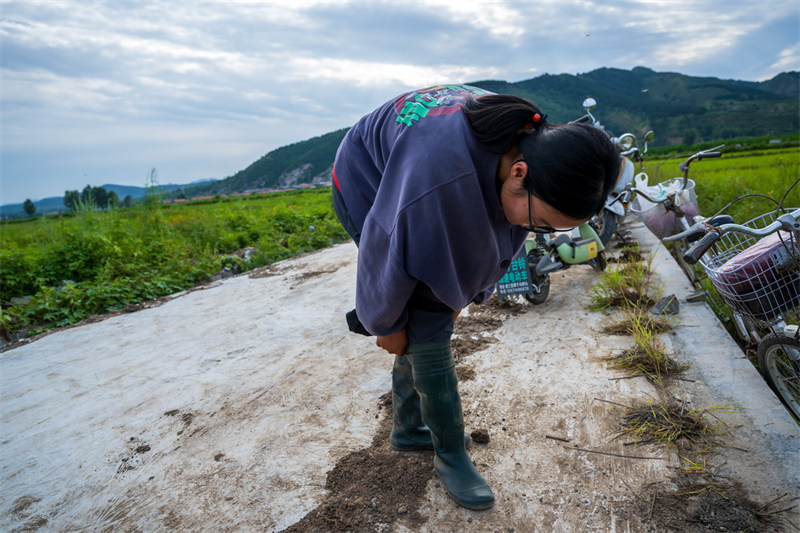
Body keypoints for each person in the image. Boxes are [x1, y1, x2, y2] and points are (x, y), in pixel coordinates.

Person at [331, 84, 621, 510]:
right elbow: (385, 246)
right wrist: (386, 323)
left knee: (433, 309)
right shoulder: (437, 176)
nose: (539, 234)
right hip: (367, 178)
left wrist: (459, 298)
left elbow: (491, 245)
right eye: (542, 223)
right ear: (519, 173)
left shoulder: (528, 143)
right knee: (426, 311)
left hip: (435, 169)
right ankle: (450, 455)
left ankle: (409, 428)